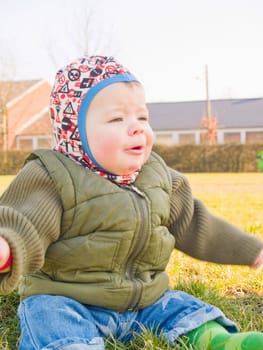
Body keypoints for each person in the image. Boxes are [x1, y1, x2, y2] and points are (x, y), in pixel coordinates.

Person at [0, 55, 263, 350]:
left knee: (182, 308)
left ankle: (219, 341)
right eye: (117, 119)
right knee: (50, 318)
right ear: (73, 132)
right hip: (69, 299)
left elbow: (195, 224)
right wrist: (7, 246)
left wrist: (252, 250)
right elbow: (25, 221)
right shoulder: (53, 176)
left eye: (142, 117)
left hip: (145, 301)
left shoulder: (158, 176)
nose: (137, 127)